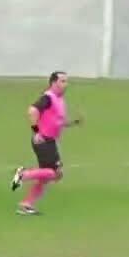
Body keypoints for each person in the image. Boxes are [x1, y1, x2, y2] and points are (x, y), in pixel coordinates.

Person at [10, 71, 83, 215]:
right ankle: (22, 174)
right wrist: (36, 131)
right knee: (54, 173)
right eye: (62, 81)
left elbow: (57, 122)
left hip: (50, 141)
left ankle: (26, 204)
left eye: (66, 81)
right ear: (54, 83)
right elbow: (32, 111)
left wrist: (73, 122)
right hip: (43, 140)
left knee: (49, 176)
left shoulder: (59, 100)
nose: (66, 84)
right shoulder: (48, 97)